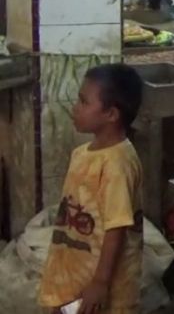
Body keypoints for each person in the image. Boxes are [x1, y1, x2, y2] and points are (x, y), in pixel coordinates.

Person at [38, 64, 144, 314]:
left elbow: (116, 227)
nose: (75, 107)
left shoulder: (117, 164)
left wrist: (100, 282)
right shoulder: (82, 153)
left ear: (111, 114)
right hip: (73, 270)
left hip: (100, 282)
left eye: (84, 102)